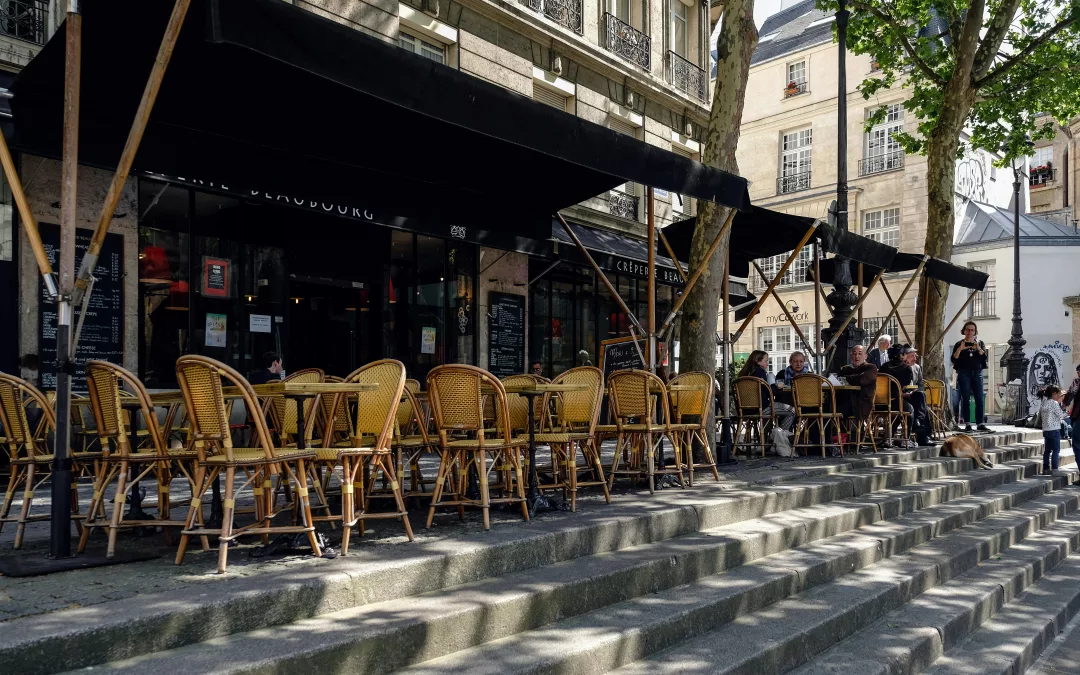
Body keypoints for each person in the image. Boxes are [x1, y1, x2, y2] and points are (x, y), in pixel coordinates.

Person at [737, 350, 795, 431]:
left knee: (771, 411)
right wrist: (776, 386)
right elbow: (766, 393)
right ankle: (779, 435)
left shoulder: (743, 373)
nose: (767, 363)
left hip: (744, 410)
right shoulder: (759, 372)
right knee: (792, 411)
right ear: (758, 361)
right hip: (760, 408)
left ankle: (766, 437)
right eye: (766, 361)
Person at [950, 321, 990, 432]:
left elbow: (984, 358)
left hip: (977, 373)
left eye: (972, 330)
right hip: (964, 373)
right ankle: (967, 423)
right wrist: (960, 349)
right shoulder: (959, 344)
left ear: (975, 331)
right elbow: (953, 359)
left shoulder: (980, 343)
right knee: (966, 399)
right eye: (968, 329)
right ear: (964, 331)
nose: (970, 332)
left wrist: (978, 348)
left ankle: (980, 423)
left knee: (979, 399)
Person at [839, 345, 878, 421]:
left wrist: (846, 378)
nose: (857, 356)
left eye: (860, 354)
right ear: (851, 356)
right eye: (854, 354)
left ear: (865, 356)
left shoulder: (870, 367)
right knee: (824, 407)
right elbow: (838, 380)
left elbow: (862, 379)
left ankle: (840, 431)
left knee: (835, 409)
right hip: (844, 400)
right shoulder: (845, 369)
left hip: (861, 402)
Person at [1037, 385, 1067, 474]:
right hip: (1054, 429)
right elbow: (1060, 415)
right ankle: (1055, 469)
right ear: (1054, 394)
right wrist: (1066, 412)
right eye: (1058, 394)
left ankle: (1045, 469)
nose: (1058, 396)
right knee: (1056, 450)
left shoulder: (1043, 403)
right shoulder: (1054, 403)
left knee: (1047, 450)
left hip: (1046, 429)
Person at [1064, 364, 1080, 443]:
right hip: (1076, 415)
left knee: (1076, 441)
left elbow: (1071, 392)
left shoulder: (1077, 382)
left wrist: (1065, 404)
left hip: (1078, 415)